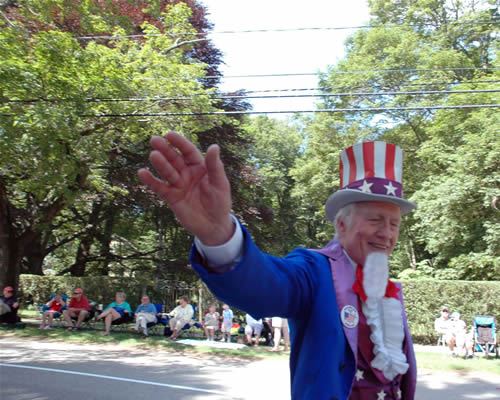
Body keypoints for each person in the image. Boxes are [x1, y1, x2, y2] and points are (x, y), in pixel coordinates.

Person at [139, 133, 417, 399]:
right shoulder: (315, 271)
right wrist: (218, 234)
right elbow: (265, 287)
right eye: (376, 220)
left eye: (394, 224)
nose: (387, 233)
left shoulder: (388, 288)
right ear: (342, 225)